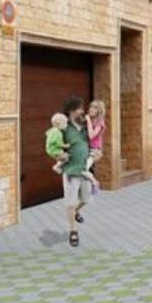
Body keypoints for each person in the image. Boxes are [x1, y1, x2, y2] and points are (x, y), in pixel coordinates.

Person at [61, 97, 92, 247]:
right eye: (80, 108)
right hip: (71, 169)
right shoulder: (64, 127)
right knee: (71, 202)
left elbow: (93, 140)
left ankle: (76, 212)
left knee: (86, 199)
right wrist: (59, 155)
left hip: (84, 169)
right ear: (71, 110)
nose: (82, 111)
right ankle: (73, 231)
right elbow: (53, 144)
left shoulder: (84, 126)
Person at [82, 100, 106, 193]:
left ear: (99, 111)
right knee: (80, 169)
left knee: (83, 169)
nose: (91, 109)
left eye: (95, 108)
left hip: (94, 151)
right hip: (87, 149)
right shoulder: (90, 120)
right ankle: (89, 185)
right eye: (91, 107)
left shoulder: (100, 122)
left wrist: (87, 120)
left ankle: (94, 183)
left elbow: (92, 135)